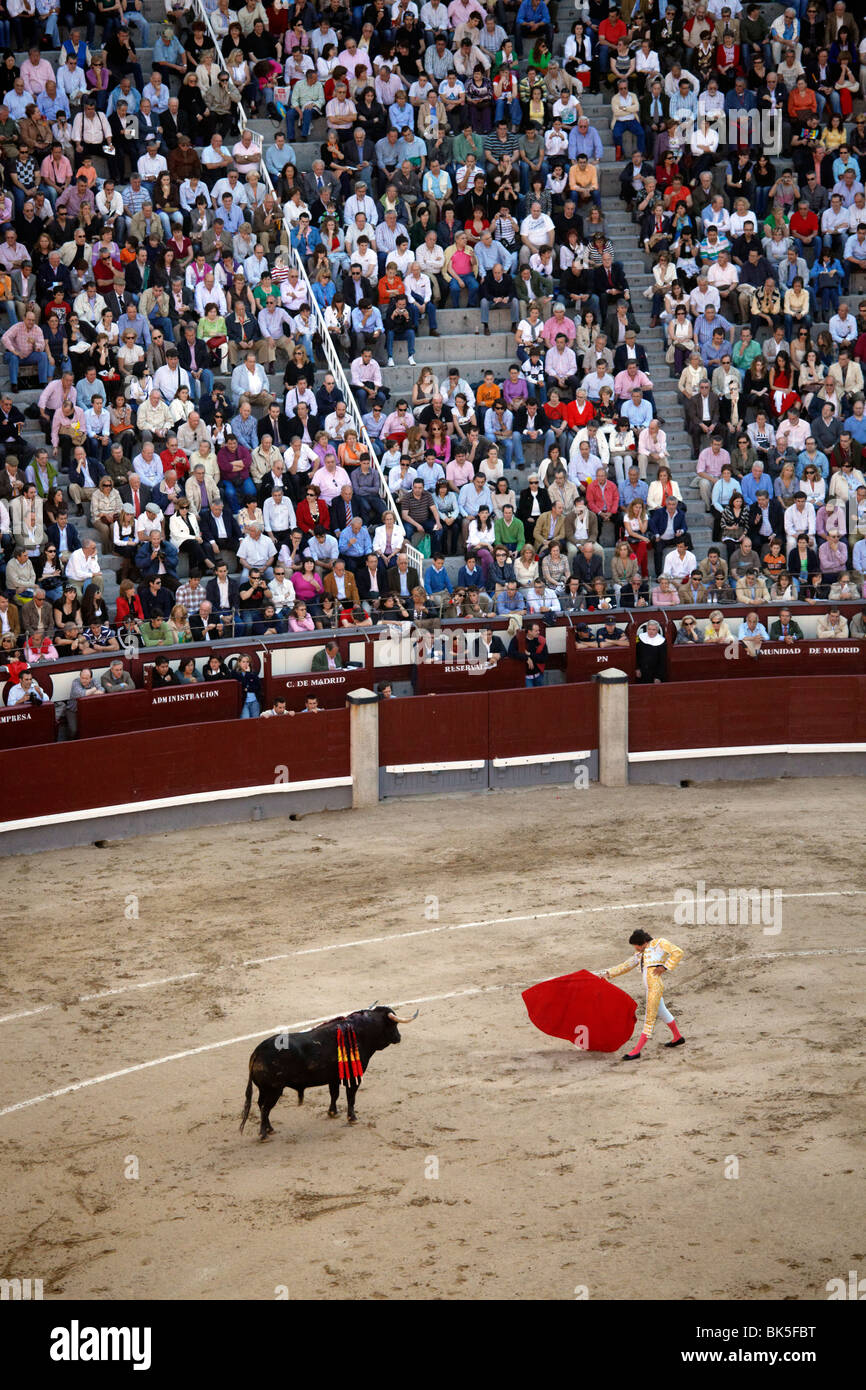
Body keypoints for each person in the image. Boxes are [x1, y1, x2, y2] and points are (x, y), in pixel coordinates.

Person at [597, 929, 685, 1061]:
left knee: (649, 1017)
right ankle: (677, 1037)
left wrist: (665, 967)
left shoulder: (659, 943)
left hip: (655, 987)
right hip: (650, 987)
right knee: (662, 1011)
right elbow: (626, 965)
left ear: (642, 943)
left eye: (635, 945)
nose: (635, 948)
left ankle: (637, 1050)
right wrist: (608, 973)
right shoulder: (639, 954)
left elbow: (678, 952)